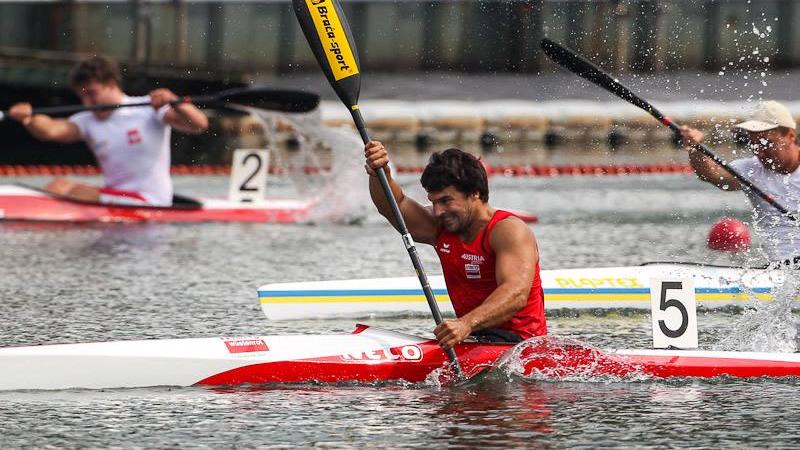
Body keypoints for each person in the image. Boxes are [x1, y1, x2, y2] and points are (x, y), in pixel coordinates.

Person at [364, 141, 546, 349]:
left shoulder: (507, 230)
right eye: (433, 202)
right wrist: (380, 173)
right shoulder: (440, 227)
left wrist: (465, 324)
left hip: (521, 346)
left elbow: (516, 294)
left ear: (475, 193)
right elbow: (394, 205)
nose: (438, 211)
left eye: (446, 201)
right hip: (473, 338)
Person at [8, 55, 209, 206]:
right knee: (57, 185)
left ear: (111, 85)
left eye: (92, 94)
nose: (88, 102)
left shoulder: (147, 109)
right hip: (117, 197)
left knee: (63, 189)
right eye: (82, 96)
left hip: (151, 200)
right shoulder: (86, 121)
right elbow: (51, 130)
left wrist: (176, 102)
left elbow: (199, 125)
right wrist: (28, 118)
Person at [680, 100, 800, 263]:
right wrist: (696, 149)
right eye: (754, 144)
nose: (760, 152)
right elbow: (711, 174)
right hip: (780, 270)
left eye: (767, 143)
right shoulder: (750, 170)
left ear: (790, 135)